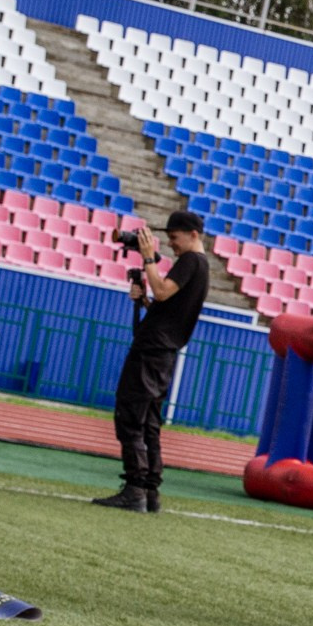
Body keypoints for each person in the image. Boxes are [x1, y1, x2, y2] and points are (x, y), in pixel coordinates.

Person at [92, 209, 211, 513]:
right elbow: (165, 305)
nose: (172, 244)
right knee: (151, 422)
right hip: (164, 351)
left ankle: (134, 488)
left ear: (193, 235)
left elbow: (162, 290)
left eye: (174, 238)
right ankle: (150, 491)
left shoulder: (190, 261)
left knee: (131, 415)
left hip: (152, 350)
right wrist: (144, 301)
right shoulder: (200, 265)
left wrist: (147, 259)